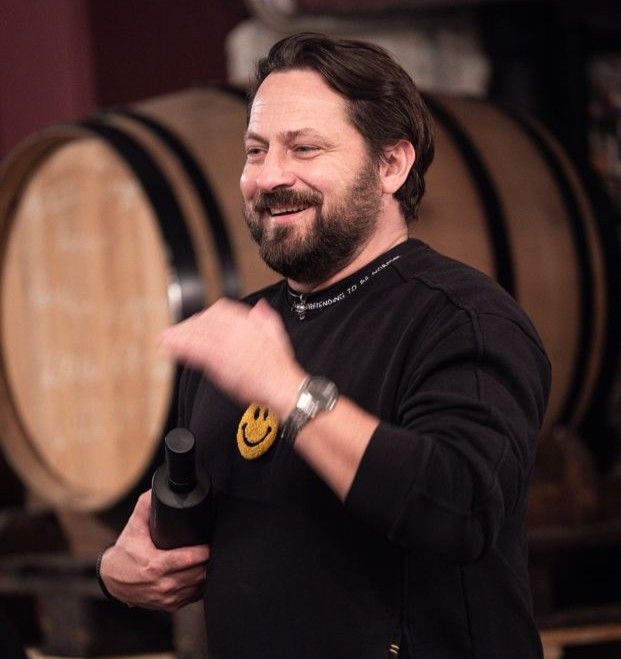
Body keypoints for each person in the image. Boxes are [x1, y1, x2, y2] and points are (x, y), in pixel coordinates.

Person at [98, 33, 551, 659]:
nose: (269, 177)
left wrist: (287, 391)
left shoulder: (461, 318)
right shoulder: (242, 330)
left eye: (304, 148)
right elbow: (201, 548)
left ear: (391, 166)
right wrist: (121, 572)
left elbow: (461, 507)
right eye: (256, 151)